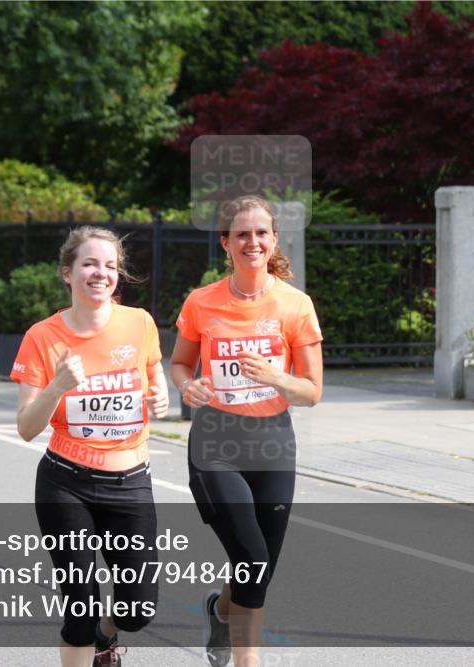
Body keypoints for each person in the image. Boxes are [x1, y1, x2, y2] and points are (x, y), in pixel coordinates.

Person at [170, 196, 323, 667]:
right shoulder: (201, 301)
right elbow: (180, 364)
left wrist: (276, 377)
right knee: (252, 558)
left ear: (274, 239)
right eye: (241, 234)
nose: (251, 242)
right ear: (226, 242)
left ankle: (220, 611)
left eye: (260, 233)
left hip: (273, 442)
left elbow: (312, 391)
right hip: (215, 441)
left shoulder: (295, 305)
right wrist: (188, 386)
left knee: (259, 570)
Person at [12, 226, 169, 667]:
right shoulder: (42, 337)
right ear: (68, 272)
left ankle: (107, 636)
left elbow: (154, 373)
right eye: (90, 264)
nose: (101, 273)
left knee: (138, 609)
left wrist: (161, 396)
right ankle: (88, 638)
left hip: (130, 482)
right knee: (79, 606)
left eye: (110, 265)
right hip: (66, 485)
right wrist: (57, 386)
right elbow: (26, 427)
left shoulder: (138, 323)